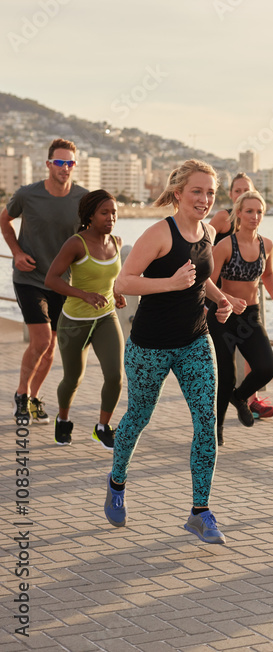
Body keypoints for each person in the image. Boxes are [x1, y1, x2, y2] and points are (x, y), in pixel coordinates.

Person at [104, 160, 233, 545]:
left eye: (210, 192)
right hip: (150, 346)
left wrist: (222, 298)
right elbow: (124, 281)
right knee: (139, 417)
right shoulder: (159, 233)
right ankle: (116, 481)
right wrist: (171, 283)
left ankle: (200, 511)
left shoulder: (209, 232)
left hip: (195, 340)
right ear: (178, 193)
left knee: (206, 423)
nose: (205, 199)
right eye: (197, 191)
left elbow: (201, 276)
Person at [0, 138, 88, 427]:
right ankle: (21, 395)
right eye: (60, 162)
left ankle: (35, 397)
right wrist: (17, 253)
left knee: (51, 349)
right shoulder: (28, 195)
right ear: (49, 164)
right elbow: (5, 219)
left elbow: (89, 240)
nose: (65, 168)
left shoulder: (83, 200)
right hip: (30, 278)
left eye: (70, 163)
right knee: (41, 340)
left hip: (63, 283)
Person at [44, 190, 126, 448]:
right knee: (73, 378)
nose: (111, 217)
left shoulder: (117, 241)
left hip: (106, 317)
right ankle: (64, 420)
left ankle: (102, 427)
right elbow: (52, 279)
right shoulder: (76, 243)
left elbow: (111, 278)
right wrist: (84, 295)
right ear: (90, 215)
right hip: (74, 321)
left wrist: (116, 292)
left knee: (115, 376)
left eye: (114, 212)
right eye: (105, 213)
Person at [208, 190, 273, 446]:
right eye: (249, 211)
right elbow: (208, 281)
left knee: (266, 367)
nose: (255, 216)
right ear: (238, 213)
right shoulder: (225, 245)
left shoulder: (268, 244)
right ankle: (216, 429)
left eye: (259, 211)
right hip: (224, 315)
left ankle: (240, 398)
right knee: (226, 375)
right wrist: (227, 300)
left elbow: (268, 275)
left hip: (251, 316)